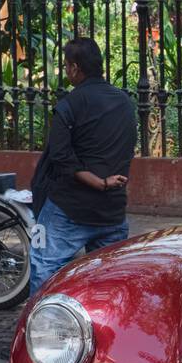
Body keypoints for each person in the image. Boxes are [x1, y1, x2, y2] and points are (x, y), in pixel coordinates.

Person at [28, 37, 137, 296]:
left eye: (66, 66)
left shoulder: (70, 104)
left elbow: (60, 155)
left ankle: (43, 327)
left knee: (43, 263)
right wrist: (107, 183)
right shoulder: (124, 102)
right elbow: (127, 147)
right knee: (109, 278)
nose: (66, 71)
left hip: (69, 208)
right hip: (112, 209)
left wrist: (97, 182)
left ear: (75, 68)